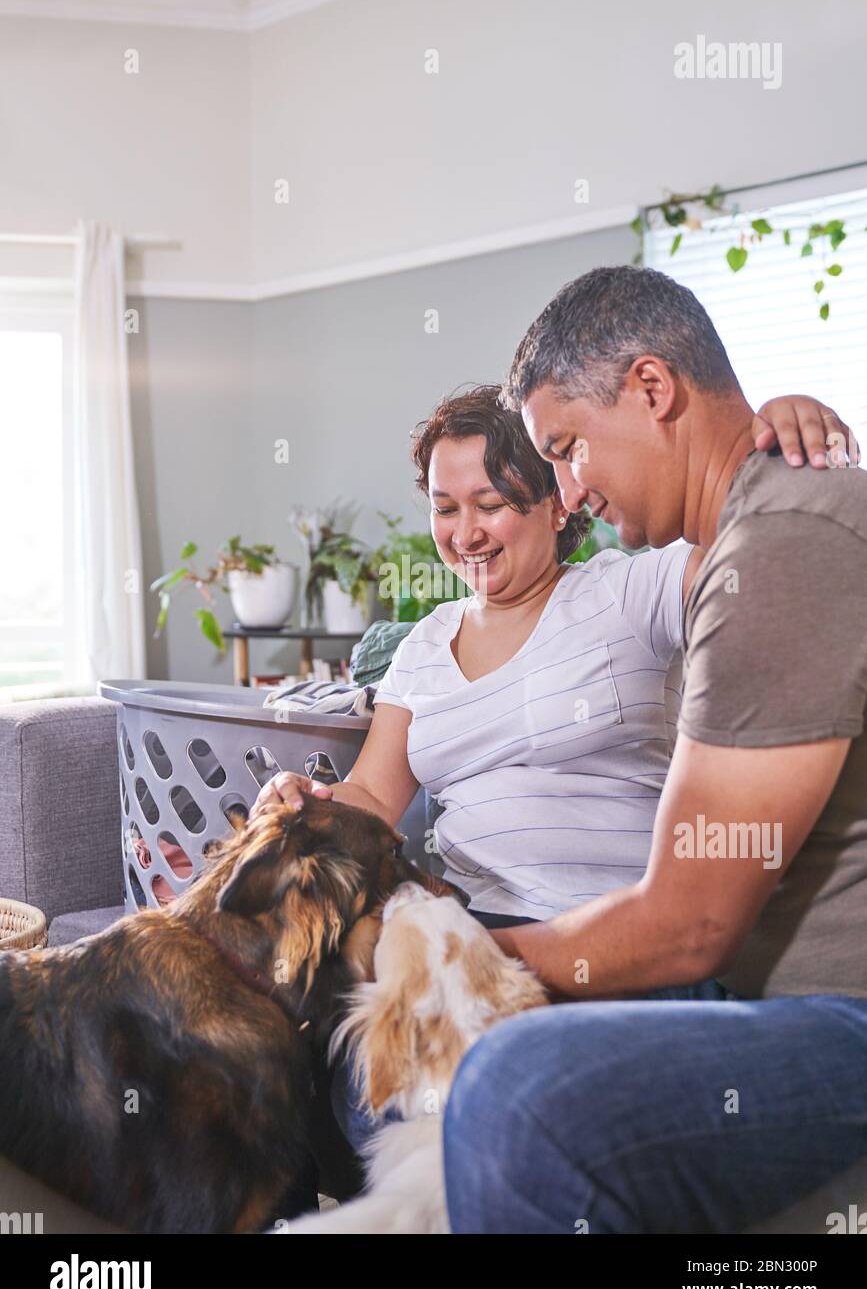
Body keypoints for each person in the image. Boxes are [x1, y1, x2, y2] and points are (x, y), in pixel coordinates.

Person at [251, 384, 852, 1156]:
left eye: (490, 502)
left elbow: (750, 537)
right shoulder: (423, 645)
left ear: (557, 501)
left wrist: (776, 423)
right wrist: (310, 798)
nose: (464, 533)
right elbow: (372, 795)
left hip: (621, 941)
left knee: (513, 1116)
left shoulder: (629, 590)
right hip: (472, 933)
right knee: (389, 1104)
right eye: (444, 507)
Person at [440, 264, 867, 1233]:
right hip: (763, 987)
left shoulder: (784, 544)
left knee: (519, 1096)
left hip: (841, 1011)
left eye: (565, 449)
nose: (567, 491)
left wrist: (465, 960)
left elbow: (687, 924)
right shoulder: (754, 534)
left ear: (651, 388)